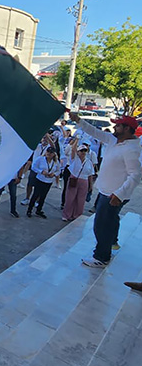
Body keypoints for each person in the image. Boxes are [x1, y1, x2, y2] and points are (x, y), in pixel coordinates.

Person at [70, 113, 142, 268]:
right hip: (106, 190)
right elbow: (96, 132)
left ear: (127, 129)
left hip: (113, 194)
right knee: (109, 222)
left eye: (118, 125)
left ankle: (101, 257)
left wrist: (119, 194)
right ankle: (108, 247)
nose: (115, 127)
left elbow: (135, 175)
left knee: (101, 225)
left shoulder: (131, 149)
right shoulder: (114, 140)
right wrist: (78, 121)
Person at [62, 144, 95, 221]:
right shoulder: (74, 159)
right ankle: (66, 215)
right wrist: (76, 139)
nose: (83, 152)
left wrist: (91, 185)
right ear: (78, 152)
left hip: (84, 180)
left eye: (85, 151)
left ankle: (77, 215)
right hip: (74, 178)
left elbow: (90, 174)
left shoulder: (89, 162)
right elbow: (73, 149)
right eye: (81, 151)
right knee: (70, 198)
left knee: (80, 200)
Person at [27, 146, 60, 218]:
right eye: (48, 152)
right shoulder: (40, 159)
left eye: (51, 153)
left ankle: (39, 210)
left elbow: (59, 170)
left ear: (54, 154)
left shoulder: (56, 162)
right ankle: (29, 210)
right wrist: (41, 171)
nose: (49, 153)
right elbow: (33, 167)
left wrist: (54, 174)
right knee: (35, 195)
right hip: (40, 179)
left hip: (48, 181)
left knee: (43, 196)